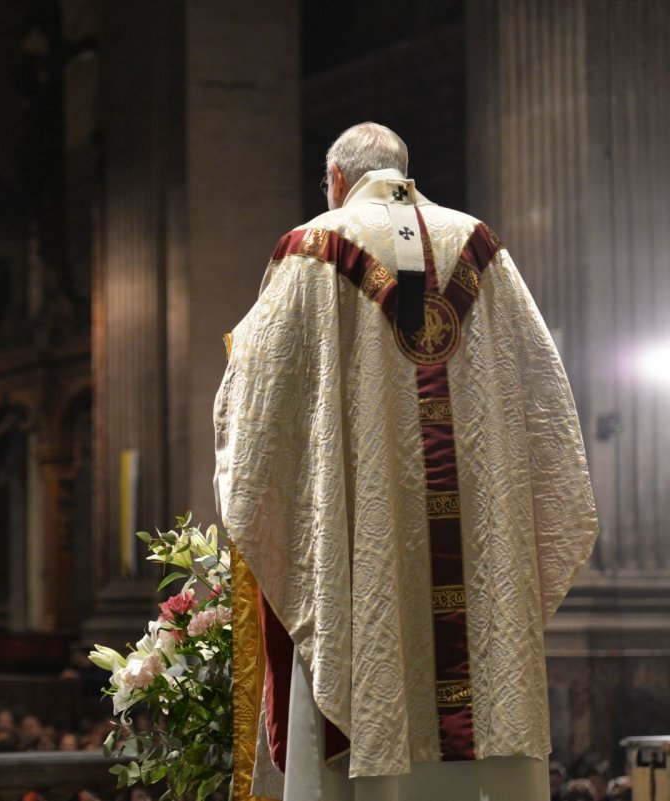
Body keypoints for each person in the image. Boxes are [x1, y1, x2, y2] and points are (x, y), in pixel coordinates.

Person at [214, 122, 598, 801]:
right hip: (479, 578)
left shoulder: (312, 249)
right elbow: (547, 405)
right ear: (402, 170)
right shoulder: (483, 249)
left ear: (336, 179)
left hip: (371, 567)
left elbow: (256, 411)